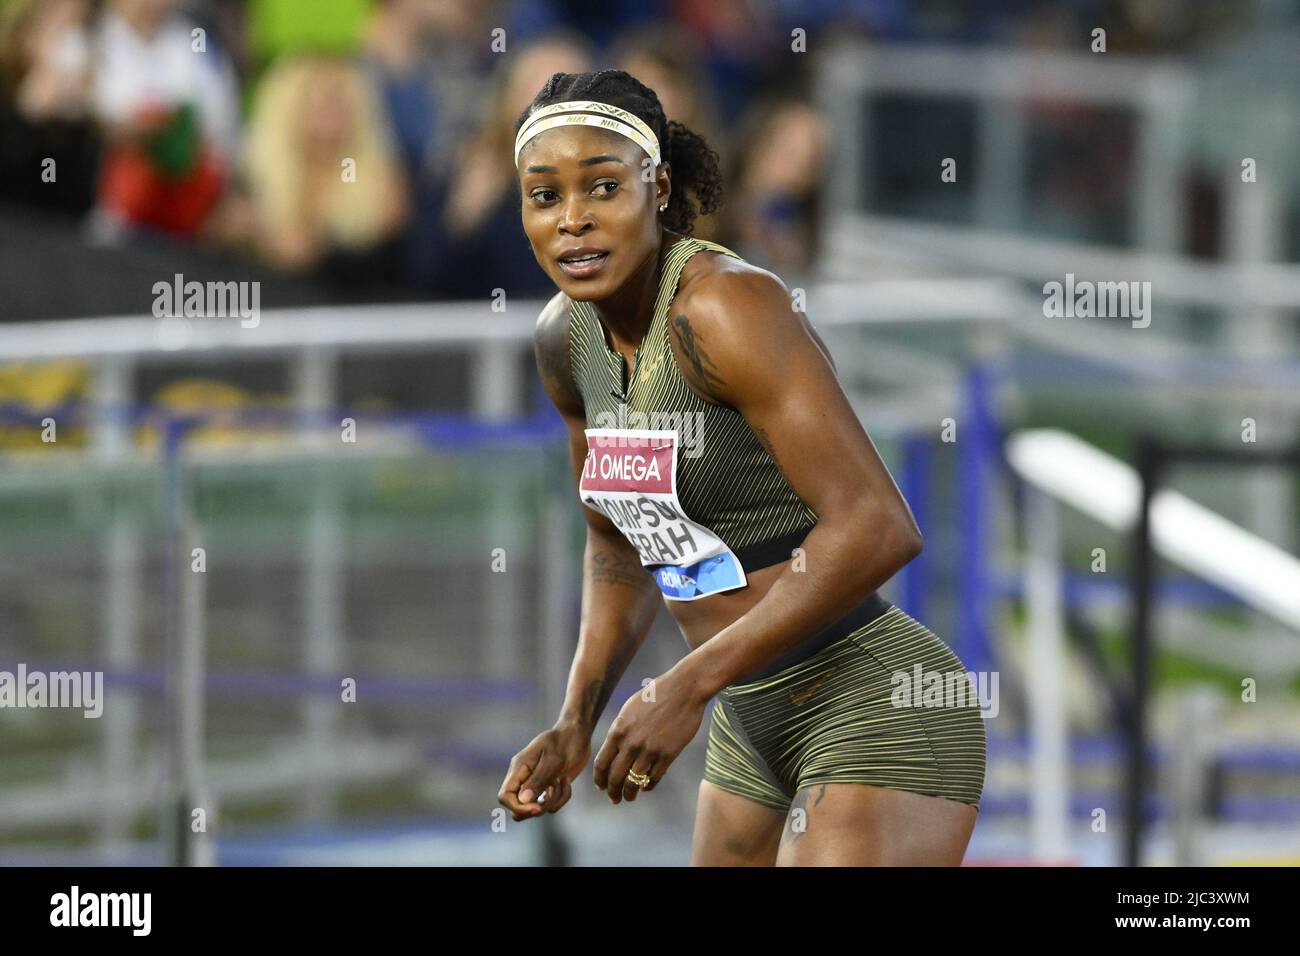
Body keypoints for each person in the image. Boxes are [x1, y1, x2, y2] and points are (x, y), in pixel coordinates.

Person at [497, 69, 985, 866]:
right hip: (748, 724)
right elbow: (620, 547)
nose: (574, 220)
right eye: (544, 197)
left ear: (657, 187)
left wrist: (687, 684)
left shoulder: (726, 307)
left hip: (872, 699)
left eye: (603, 187)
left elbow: (879, 527)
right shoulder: (563, 340)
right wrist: (574, 722)